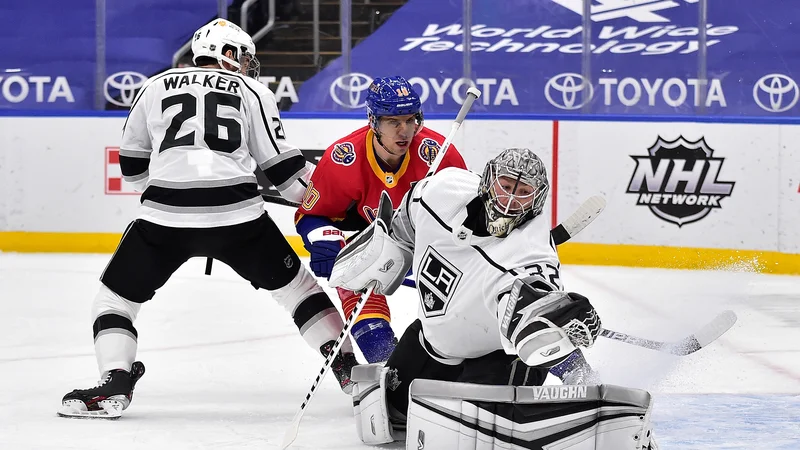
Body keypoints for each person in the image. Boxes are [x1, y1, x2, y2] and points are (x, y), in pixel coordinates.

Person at [58, 19, 357, 419]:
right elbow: (286, 174)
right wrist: (327, 204)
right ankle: (350, 371)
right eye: (245, 56)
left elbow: (130, 167)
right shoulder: (252, 90)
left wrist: (169, 186)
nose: (250, 65)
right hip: (239, 217)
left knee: (114, 301)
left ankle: (115, 379)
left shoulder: (152, 86)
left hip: (163, 218)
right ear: (227, 54)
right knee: (299, 292)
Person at [329, 148, 658, 448]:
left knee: (476, 429)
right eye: (505, 185)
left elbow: (534, 324)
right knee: (392, 413)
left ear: (537, 200)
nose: (511, 200)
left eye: (524, 192)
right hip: (437, 342)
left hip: (498, 356)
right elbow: (407, 218)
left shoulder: (532, 254)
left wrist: (562, 313)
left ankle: (580, 375)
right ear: (487, 181)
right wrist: (388, 253)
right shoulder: (441, 192)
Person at [294, 76, 467, 364]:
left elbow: (470, 211)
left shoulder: (438, 153)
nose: (405, 131)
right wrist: (323, 242)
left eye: (411, 119)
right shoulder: (344, 159)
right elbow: (311, 214)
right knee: (351, 273)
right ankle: (385, 360)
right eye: (393, 122)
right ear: (373, 121)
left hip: (436, 241)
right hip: (380, 239)